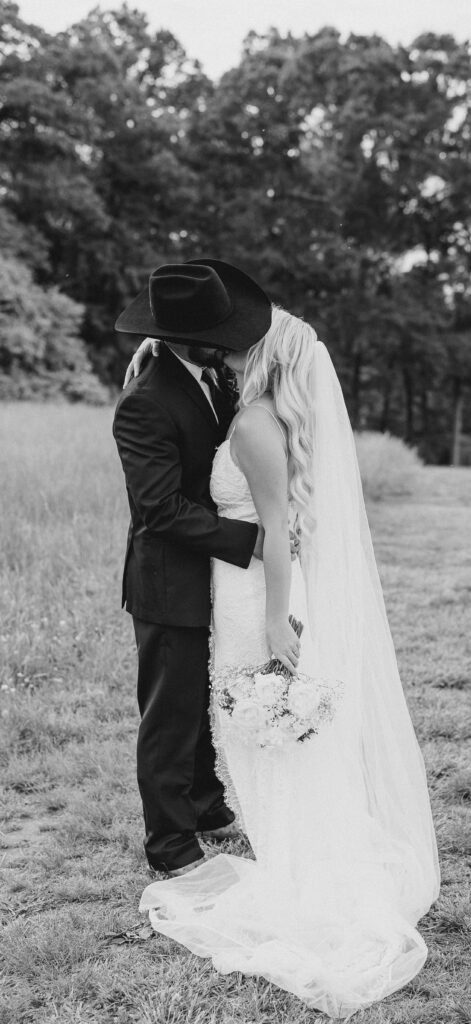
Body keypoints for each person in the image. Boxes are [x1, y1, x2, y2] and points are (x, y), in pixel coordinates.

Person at [126, 307, 440, 1018]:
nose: (229, 344)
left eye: (243, 341)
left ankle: (295, 866)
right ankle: (282, 847)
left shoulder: (251, 424)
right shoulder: (248, 411)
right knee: (252, 724)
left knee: (259, 725)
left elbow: (272, 527)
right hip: (238, 584)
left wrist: (273, 616)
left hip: (252, 593)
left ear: (265, 354)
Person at [112, 259, 296, 876]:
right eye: (219, 331)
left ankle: (208, 806)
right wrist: (253, 540)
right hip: (169, 580)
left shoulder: (211, 376)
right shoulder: (145, 401)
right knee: (170, 713)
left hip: (215, 572)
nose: (232, 341)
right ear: (188, 337)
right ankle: (170, 844)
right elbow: (159, 509)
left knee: (201, 700)